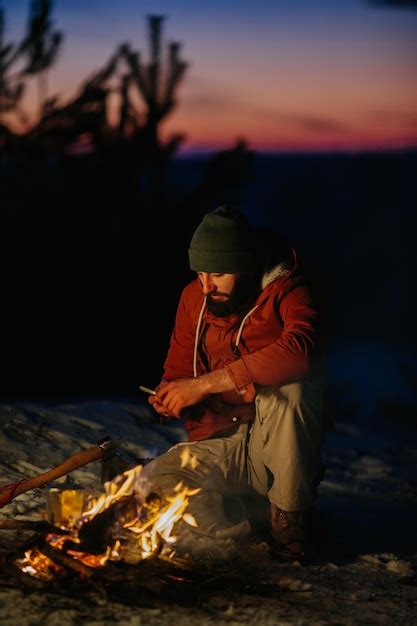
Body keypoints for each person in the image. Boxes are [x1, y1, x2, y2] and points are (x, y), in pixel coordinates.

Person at [142, 204, 325, 563]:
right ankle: (249, 527)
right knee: (151, 486)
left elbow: (301, 351)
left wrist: (207, 384)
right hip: (218, 446)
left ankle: (288, 519)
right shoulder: (193, 297)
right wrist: (171, 394)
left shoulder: (288, 291)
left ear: (245, 264)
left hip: (272, 445)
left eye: (220, 273)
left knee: (291, 390)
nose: (207, 286)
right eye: (200, 273)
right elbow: (178, 369)